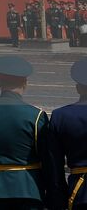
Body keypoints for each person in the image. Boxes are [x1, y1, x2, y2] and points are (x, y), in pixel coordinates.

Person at [0, 55, 53, 210]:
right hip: (31, 189)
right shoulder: (36, 115)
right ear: (25, 83)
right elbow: (48, 160)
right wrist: (52, 195)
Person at [47, 58, 87, 210]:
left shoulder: (61, 116)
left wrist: (57, 198)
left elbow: (54, 164)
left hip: (79, 190)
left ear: (78, 88)